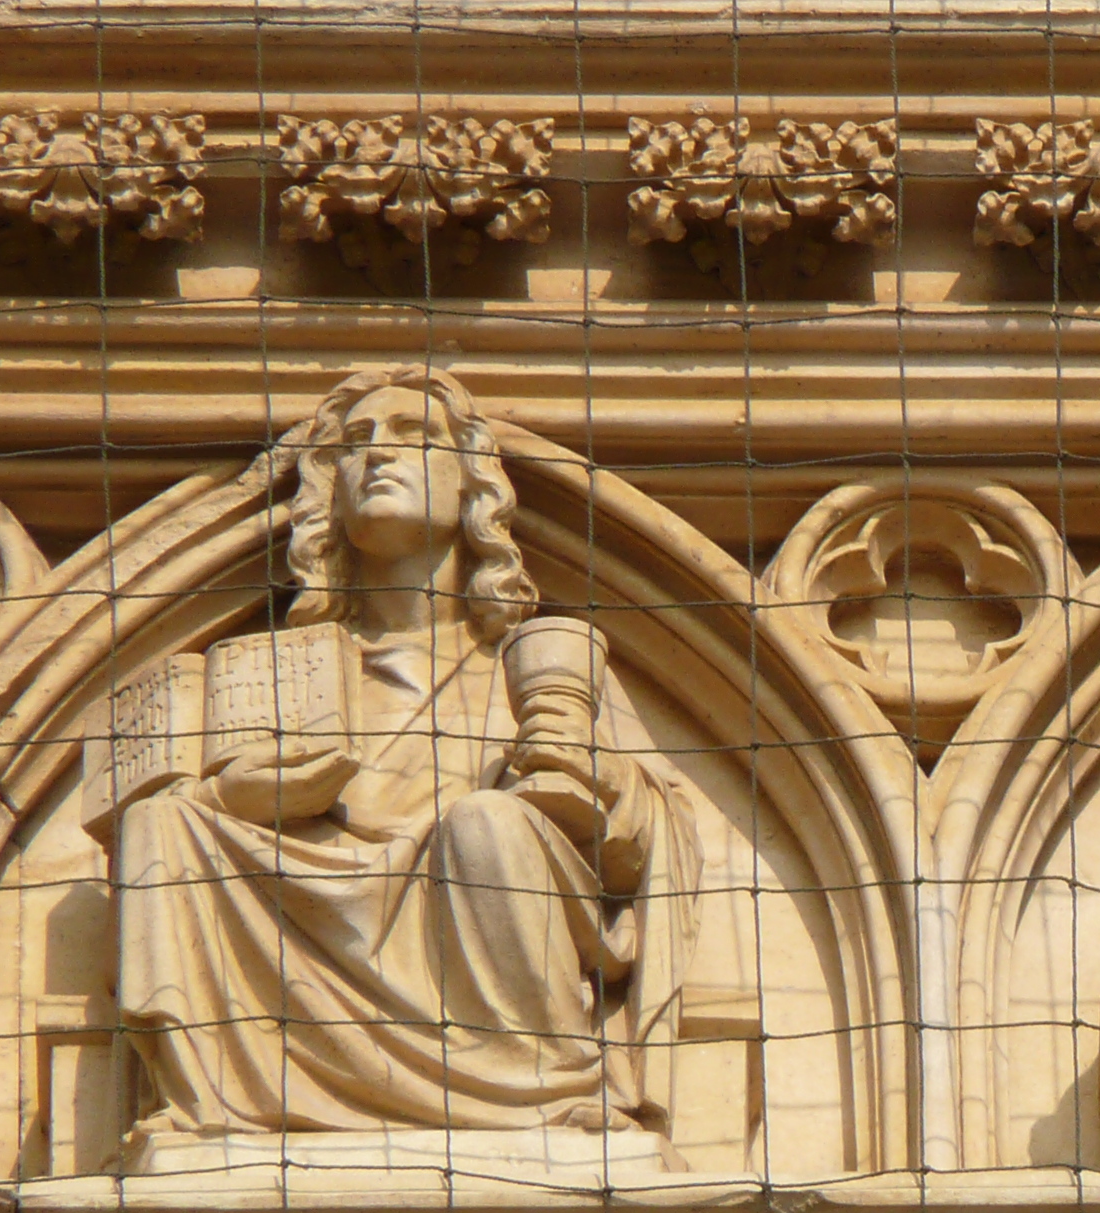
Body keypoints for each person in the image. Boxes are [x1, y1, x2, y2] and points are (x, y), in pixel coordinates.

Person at [111, 368, 701, 1138]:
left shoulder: (527, 660)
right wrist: (232, 799)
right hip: (304, 914)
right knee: (163, 819)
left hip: (481, 918)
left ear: (474, 486)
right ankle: (212, 1101)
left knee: (485, 822)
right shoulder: (285, 672)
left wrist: (597, 779)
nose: (378, 456)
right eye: (355, 443)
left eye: (414, 436)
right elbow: (202, 806)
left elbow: (655, 829)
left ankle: (543, 1087)